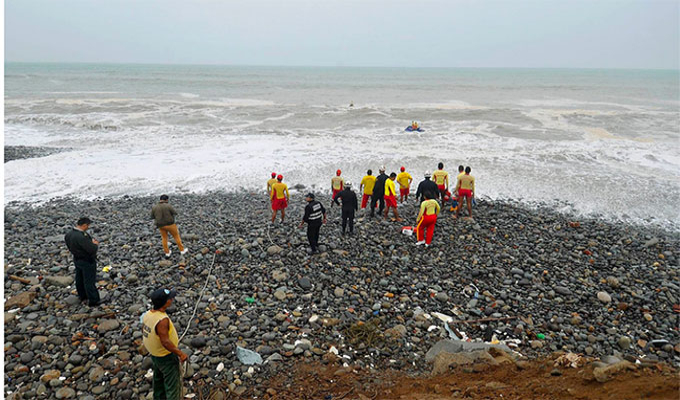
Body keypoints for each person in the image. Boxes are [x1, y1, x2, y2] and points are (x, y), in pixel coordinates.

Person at [142, 288, 188, 400]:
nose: (172, 299)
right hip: (166, 356)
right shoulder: (162, 320)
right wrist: (180, 354)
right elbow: (165, 342)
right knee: (172, 385)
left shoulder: (148, 314)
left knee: (159, 380)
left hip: (155, 355)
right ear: (165, 302)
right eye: (170, 298)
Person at [64, 217, 101, 307]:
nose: (88, 227)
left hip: (77, 258)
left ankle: (82, 295)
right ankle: (94, 300)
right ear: (84, 225)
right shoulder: (81, 237)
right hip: (87, 260)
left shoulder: (69, 234)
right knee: (89, 281)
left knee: (79, 278)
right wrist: (95, 244)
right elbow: (92, 249)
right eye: (88, 225)